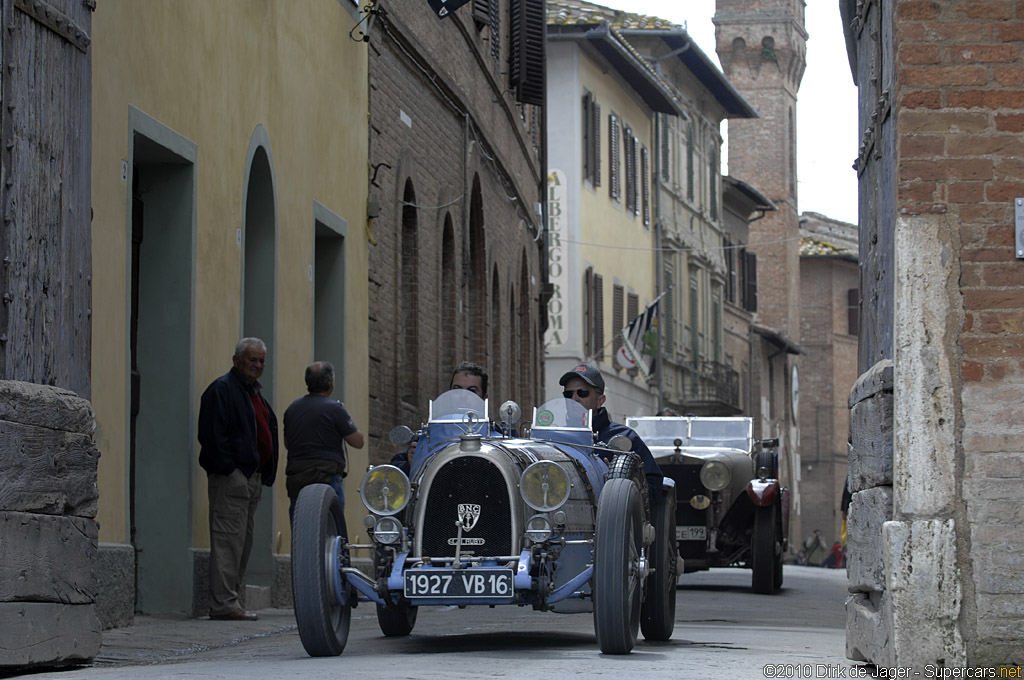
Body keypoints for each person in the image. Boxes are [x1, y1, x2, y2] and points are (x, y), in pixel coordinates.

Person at [197, 337, 278, 622]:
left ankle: (231, 600)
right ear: (236, 360)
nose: (257, 365)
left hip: (251, 479)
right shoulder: (221, 390)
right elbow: (211, 436)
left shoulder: (252, 393)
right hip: (232, 478)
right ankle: (223, 604)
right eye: (251, 359)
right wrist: (232, 472)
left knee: (242, 543)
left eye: (261, 361)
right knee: (227, 541)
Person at [558, 363, 664, 504]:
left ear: (600, 400)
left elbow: (654, 486)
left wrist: (620, 479)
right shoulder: (556, 438)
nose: (574, 399)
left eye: (582, 393)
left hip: (611, 518)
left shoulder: (626, 437)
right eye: (568, 394)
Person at [283, 361, 364, 524]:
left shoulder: (292, 409)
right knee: (332, 526)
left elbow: (287, 443)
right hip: (327, 476)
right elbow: (358, 441)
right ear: (331, 383)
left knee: (300, 524)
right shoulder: (335, 409)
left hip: (297, 477)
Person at [390, 361, 489, 473]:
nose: (463, 396)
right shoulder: (430, 433)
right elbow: (396, 471)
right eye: (457, 390)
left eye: (471, 391)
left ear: (484, 398)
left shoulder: (496, 433)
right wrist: (410, 462)